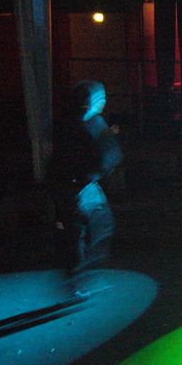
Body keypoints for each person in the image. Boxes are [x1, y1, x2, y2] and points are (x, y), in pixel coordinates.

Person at [48, 80, 122, 275]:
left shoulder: (68, 121)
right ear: (93, 100)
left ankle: (76, 272)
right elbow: (110, 155)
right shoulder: (93, 121)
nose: (105, 102)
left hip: (67, 185)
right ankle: (86, 273)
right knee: (102, 223)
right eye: (102, 98)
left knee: (75, 230)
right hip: (82, 184)